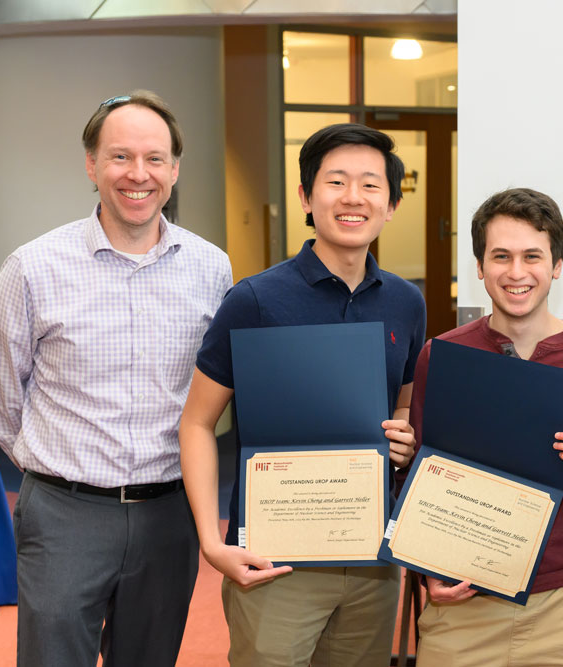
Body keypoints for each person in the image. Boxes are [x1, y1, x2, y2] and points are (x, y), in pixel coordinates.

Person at [0, 90, 232, 666]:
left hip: (171, 513)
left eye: (154, 158)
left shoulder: (211, 267)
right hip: (65, 515)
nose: (138, 174)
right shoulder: (32, 267)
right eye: (120, 157)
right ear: (91, 165)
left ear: (174, 169)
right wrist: (56, 473)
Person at [179, 123, 426, 666]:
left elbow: (405, 400)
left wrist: (405, 434)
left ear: (391, 205)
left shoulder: (406, 303)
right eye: (336, 182)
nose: (353, 198)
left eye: (370, 184)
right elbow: (197, 423)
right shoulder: (255, 300)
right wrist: (211, 540)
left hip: (371, 557)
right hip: (275, 560)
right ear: (306, 198)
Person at [406, 188, 563, 666]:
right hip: (462, 607)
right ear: (479, 266)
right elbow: (420, 478)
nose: (516, 272)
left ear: (556, 265)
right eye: (501, 256)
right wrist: (424, 569)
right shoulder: (443, 356)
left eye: (532, 256)